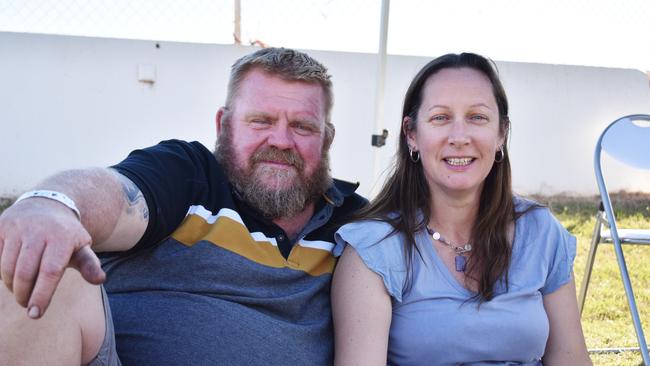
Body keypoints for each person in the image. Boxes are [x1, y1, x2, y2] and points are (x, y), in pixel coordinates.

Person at [0, 47, 366, 365]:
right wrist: (52, 205)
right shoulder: (188, 176)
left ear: (327, 138)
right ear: (224, 125)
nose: (281, 141)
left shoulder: (355, 223)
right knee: (43, 258)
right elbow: (118, 192)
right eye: (261, 121)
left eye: (302, 126)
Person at [331, 53, 592, 365]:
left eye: (477, 117)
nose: (459, 137)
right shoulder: (374, 248)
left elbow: (571, 358)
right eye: (440, 117)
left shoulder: (540, 230)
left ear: (501, 134)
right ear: (412, 134)